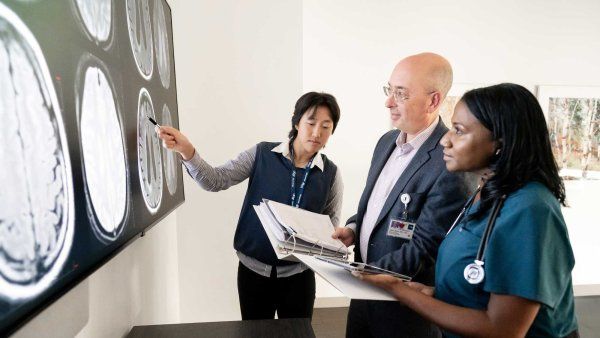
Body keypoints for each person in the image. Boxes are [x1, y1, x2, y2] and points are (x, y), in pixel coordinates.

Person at [359, 83, 579, 338]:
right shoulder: (485, 194)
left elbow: (503, 330)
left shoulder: (530, 209)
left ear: (500, 141)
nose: (445, 140)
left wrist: (400, 290)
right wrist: (435, 293)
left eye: (459, 131)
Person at [157, 92, 343, 320]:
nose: (317, 133)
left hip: (299, 277)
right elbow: (215, 180)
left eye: (326, 126)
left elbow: (331, 229)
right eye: (311, 123)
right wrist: (187, 150)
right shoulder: (262, 154)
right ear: (296, 122)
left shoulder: (331, 174)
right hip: (253, 274)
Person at [331, 53, 474, 337]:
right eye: (389, 90)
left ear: (433, 101)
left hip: (405, 310)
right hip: (363, 299)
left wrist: (358, 274)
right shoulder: (386, 143)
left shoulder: (449, 160)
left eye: (401, 93)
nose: (388, 102)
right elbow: (379, 208)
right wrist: (353, 227)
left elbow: (425, 247)